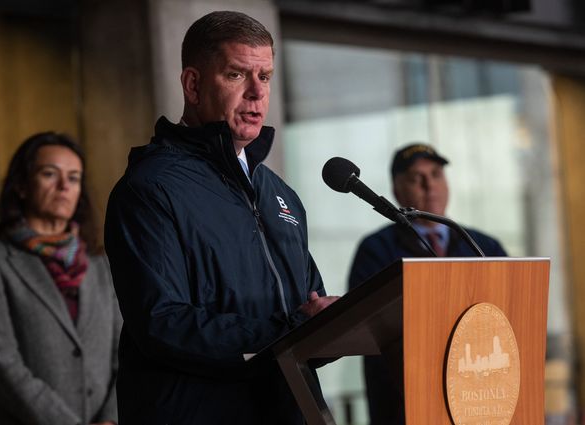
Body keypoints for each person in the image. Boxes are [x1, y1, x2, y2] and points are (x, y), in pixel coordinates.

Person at [104, 10, 338, 425]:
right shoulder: (150, 188)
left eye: (264, 77)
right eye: (236, 74)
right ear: (193, 84)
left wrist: (327, 324)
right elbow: (163, 324)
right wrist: (291, 330)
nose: (256, 94)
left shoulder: (279, 194)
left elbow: (306, 306)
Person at [0, 132, 121, 425]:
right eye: (50, 174)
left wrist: (111, 418)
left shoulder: (100, 267)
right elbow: (1, 363)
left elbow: (124, 353)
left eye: (74, 178)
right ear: (21, 185)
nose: (64, 186)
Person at [348, 142, 507, 424]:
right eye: (416, 178)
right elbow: (366, 325)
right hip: (403, 403)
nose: (429, 185)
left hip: (483, 398)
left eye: (436, 174)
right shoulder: (376, 250)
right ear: (397, 190)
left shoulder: (482, 245)